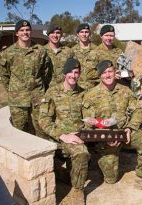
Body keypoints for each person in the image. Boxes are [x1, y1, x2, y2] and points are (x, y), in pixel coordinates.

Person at [39, 57, 118, 204]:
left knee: (108, 173)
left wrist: (99, 133)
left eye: (76, 72)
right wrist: (63, 136)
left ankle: (66, 174)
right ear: (64, 73)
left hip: (82, 136)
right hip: (61, 139)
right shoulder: (52, 92)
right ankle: (78, 191)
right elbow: (43, 120)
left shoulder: (83, 93)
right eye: (70, 72)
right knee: (81, 152)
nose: (73, 75)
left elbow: (90, 118)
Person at [82, 60, 142, 195]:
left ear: (115, 73)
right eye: (104, 73)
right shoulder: (91, 95)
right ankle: (104, 159)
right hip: (105, 137)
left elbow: (137, 110)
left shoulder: (125, 90)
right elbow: (89, 123)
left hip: (125, 131)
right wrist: (107, 137)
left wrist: (130, 128)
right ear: (100, 75)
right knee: (111, 179)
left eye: (110, 71)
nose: (108, 75)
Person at [0, 19, 51, 135]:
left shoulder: (40, 50)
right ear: (17, 33)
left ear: (31, 31)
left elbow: (46, 73)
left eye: (27, 30)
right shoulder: (8, 52)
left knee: (41, 128)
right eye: (21, 30)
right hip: (18, 99)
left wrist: (41, 89)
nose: (25, 32)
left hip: (37, 96)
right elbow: (4, 75)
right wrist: (13, 90)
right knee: (19, 131)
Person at [72, 23, 98, 89]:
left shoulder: (97, 50)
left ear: (89, 34)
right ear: (78, 34)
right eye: (81, 32)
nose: (84, 34)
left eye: (86, 32)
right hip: (77, 88)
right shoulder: (71, 51)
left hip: (93, 88)